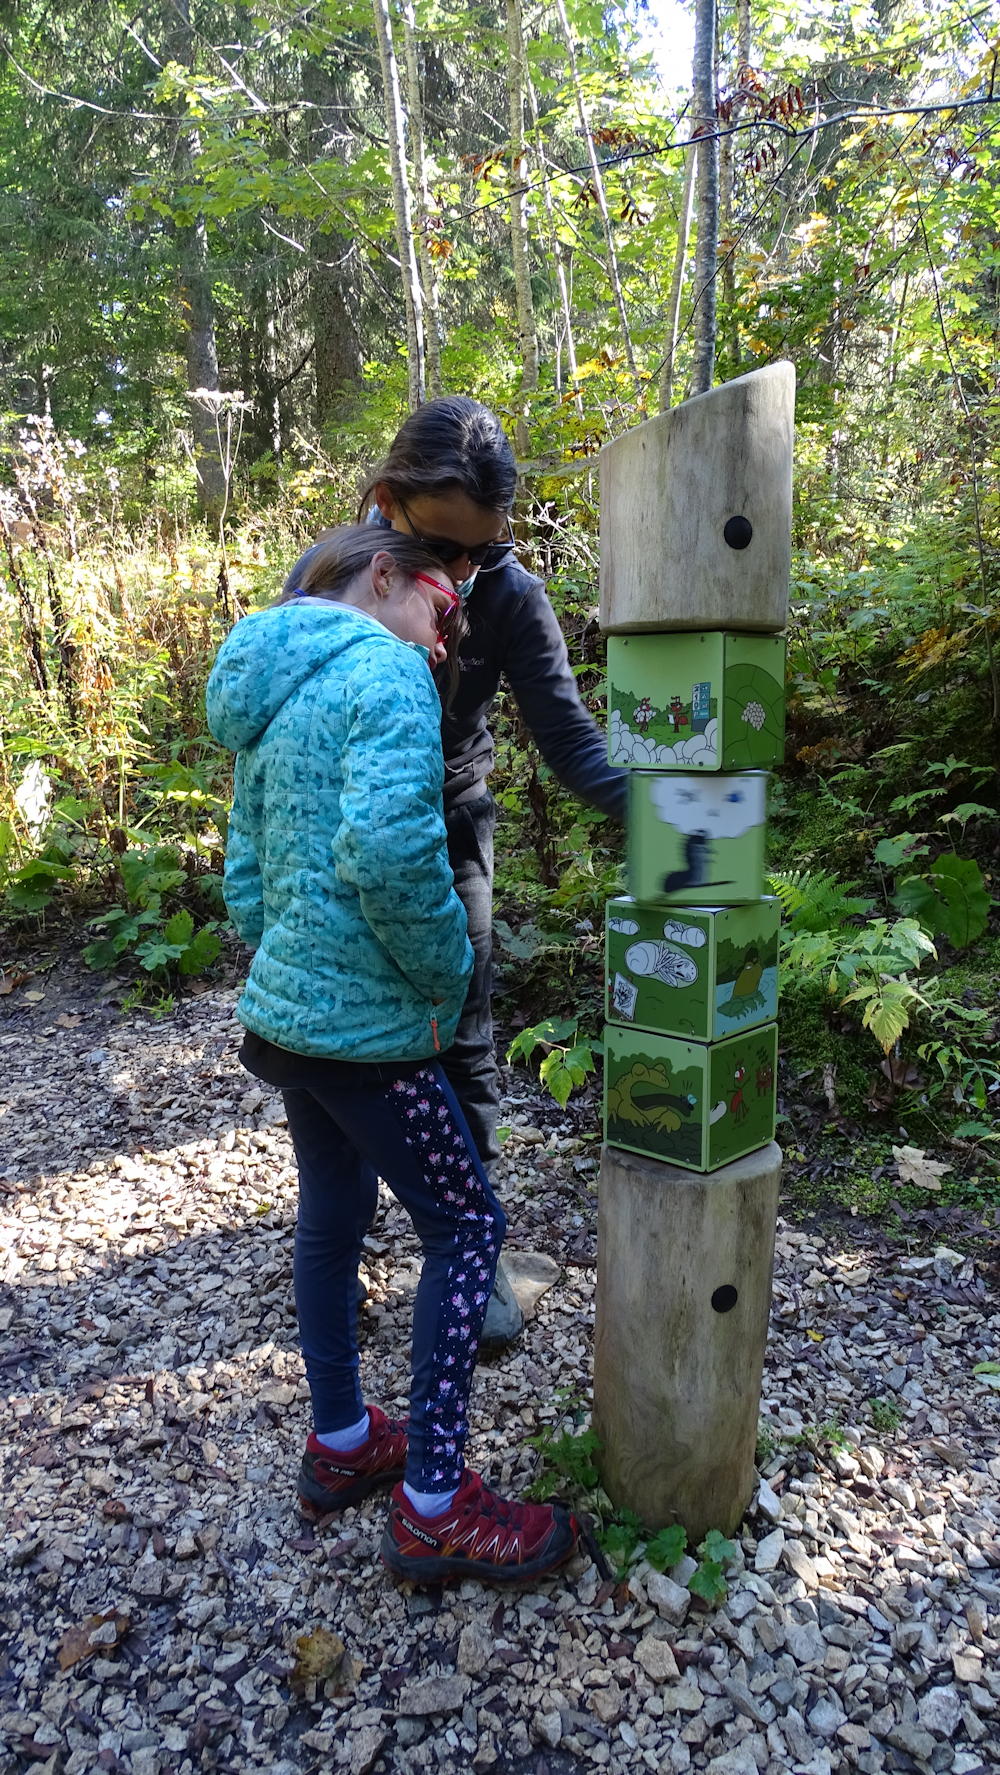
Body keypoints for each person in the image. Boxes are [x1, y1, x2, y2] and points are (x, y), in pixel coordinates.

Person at [206, 525, 578, 1585]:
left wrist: (285, 954)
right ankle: (434, 1504)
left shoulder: (273, 676)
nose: (446, 633)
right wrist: (443, 972)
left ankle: (340, 1440)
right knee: (467, 1225)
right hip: (368, 1028)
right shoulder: (383, 669)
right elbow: (388, 849)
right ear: (383, 577)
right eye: (440, 605)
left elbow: (246, 860)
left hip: (287, 1019)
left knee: (330, 1218)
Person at [285, 397, 627, 1346]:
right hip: (330, 838)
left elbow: (568, 740)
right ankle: (334, 1254)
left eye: (483, 548)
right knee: (334, 1048)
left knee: (461, 1038)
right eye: (444, 549)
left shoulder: (507, 592)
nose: (461, 574)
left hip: (451, 824)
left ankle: (472, 1260)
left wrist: (669, 811)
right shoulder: (333, 574)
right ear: (389, 504)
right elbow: (279, 726)